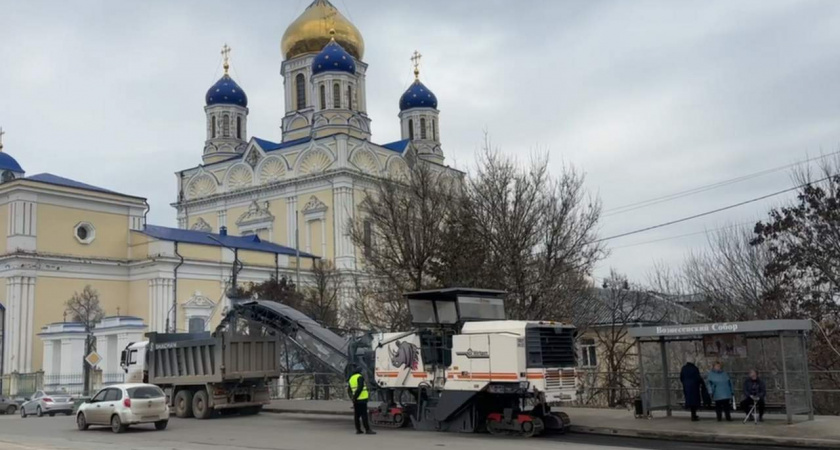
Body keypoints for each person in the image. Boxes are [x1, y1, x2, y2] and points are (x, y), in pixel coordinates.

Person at [347, 366, 376, 435]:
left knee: (357, 416)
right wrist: (356, 397)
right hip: (362, 399)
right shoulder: (360, 377)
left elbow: (349, 390)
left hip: (356, 400)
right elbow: (360, 388)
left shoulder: (351, 378)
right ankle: (367, 430)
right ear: (360, 372)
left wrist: (353, 398)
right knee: (364, 415)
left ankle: (358, 430)